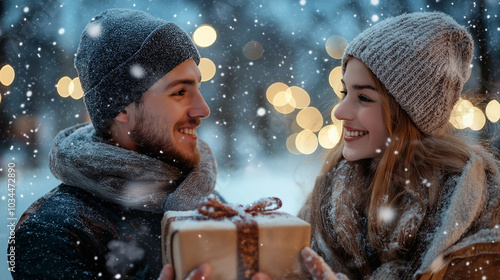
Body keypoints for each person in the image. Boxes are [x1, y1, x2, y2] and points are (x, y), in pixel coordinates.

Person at [12, 9, 219, 280]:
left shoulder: (204, 201)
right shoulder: (55, 232)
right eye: (180, 91)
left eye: (198, 88)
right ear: (120, 107)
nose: (203, 109)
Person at [296, 12, 500, 280]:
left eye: (364, 98)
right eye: (344, 93)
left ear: (408, 114)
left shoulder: (478, 217)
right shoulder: (328, 195)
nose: (339, 111)